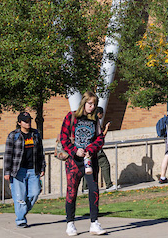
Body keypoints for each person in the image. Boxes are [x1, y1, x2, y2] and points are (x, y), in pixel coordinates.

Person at [60, 93, 107, 235]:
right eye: (89, 104)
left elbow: (100, 139)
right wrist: (75, 150)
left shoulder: (95, 120)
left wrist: (90, 150)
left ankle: (94, 223)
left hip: (89, 161)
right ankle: (70, 223)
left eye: (94, 104)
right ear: (84, 103)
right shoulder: (72, 116)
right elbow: (63, 137)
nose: (92, 107)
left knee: (94, 190)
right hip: (74, 162)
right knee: (72, 192)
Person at [4, 112, 44, 228]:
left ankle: (22, 211)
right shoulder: (14, 135)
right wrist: (7, 172)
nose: (28, 123)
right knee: (20, 197)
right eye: (25, 121)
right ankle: (21, 219)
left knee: (35, 193)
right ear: (19, 123)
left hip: (33, 170)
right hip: (18, 170)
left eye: (29, 120)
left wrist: (42, 167)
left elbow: (41, 152)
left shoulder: (35, 134)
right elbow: (8, 154)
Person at [91, 107, 116, 191]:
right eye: (102, 114)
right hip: (96, 148)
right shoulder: (96, 121)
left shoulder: (89, 120)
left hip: (90, 148)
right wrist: (106, 128)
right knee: (105, 165)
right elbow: (101, 136)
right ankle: (109, 185)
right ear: (99, 114)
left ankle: (86, 187)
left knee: (90, 166)